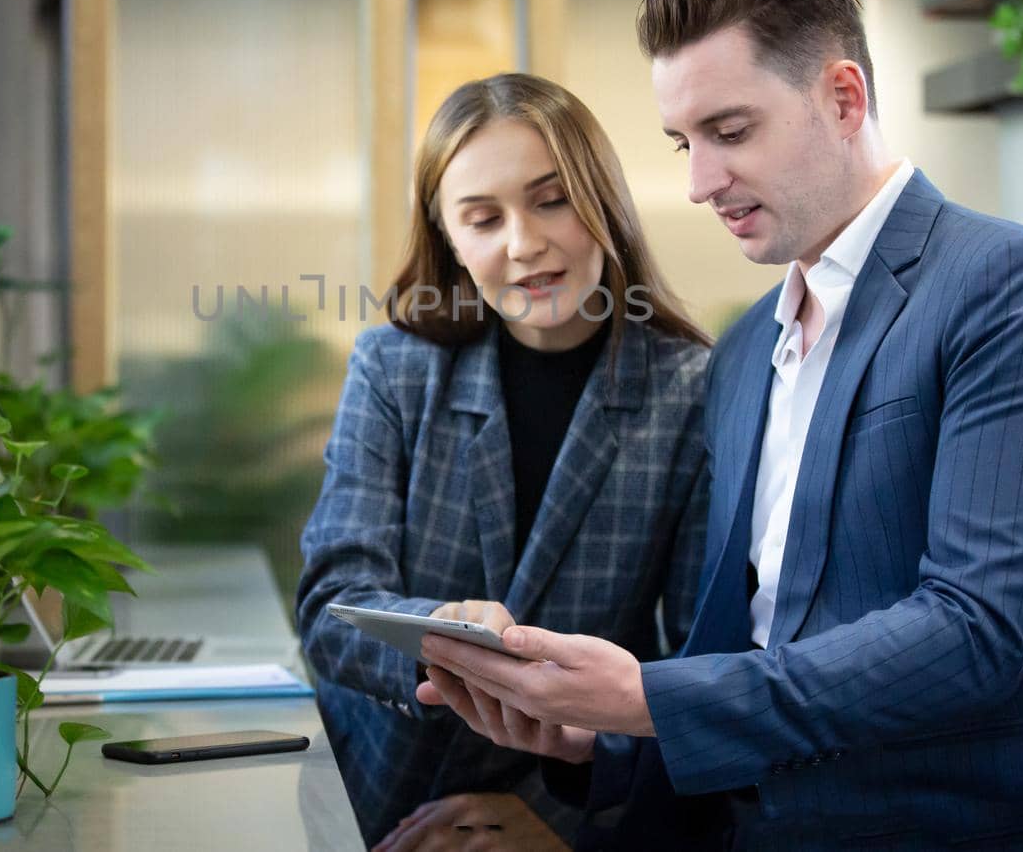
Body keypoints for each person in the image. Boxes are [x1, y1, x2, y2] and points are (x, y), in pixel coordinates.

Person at [415, 0, 1023, 850]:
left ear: (843, 97)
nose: (698, 182)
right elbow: (745, 647)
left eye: (731, 131)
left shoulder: (1014, 289)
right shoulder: (748, 349)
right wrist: (602, 737)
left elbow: (974, 631)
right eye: (684, 142)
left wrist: (649, 696)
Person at [296, 73, 715, 849]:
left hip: (560, 815)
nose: (523, 244)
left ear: (604, 199)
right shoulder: (396, 367)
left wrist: (559, 817)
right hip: (361, 803)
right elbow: (330, 604)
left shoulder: (691, 392)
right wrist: (441, 630)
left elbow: (698, 669)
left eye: (551, 199)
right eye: (483, 218)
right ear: (449, 238)